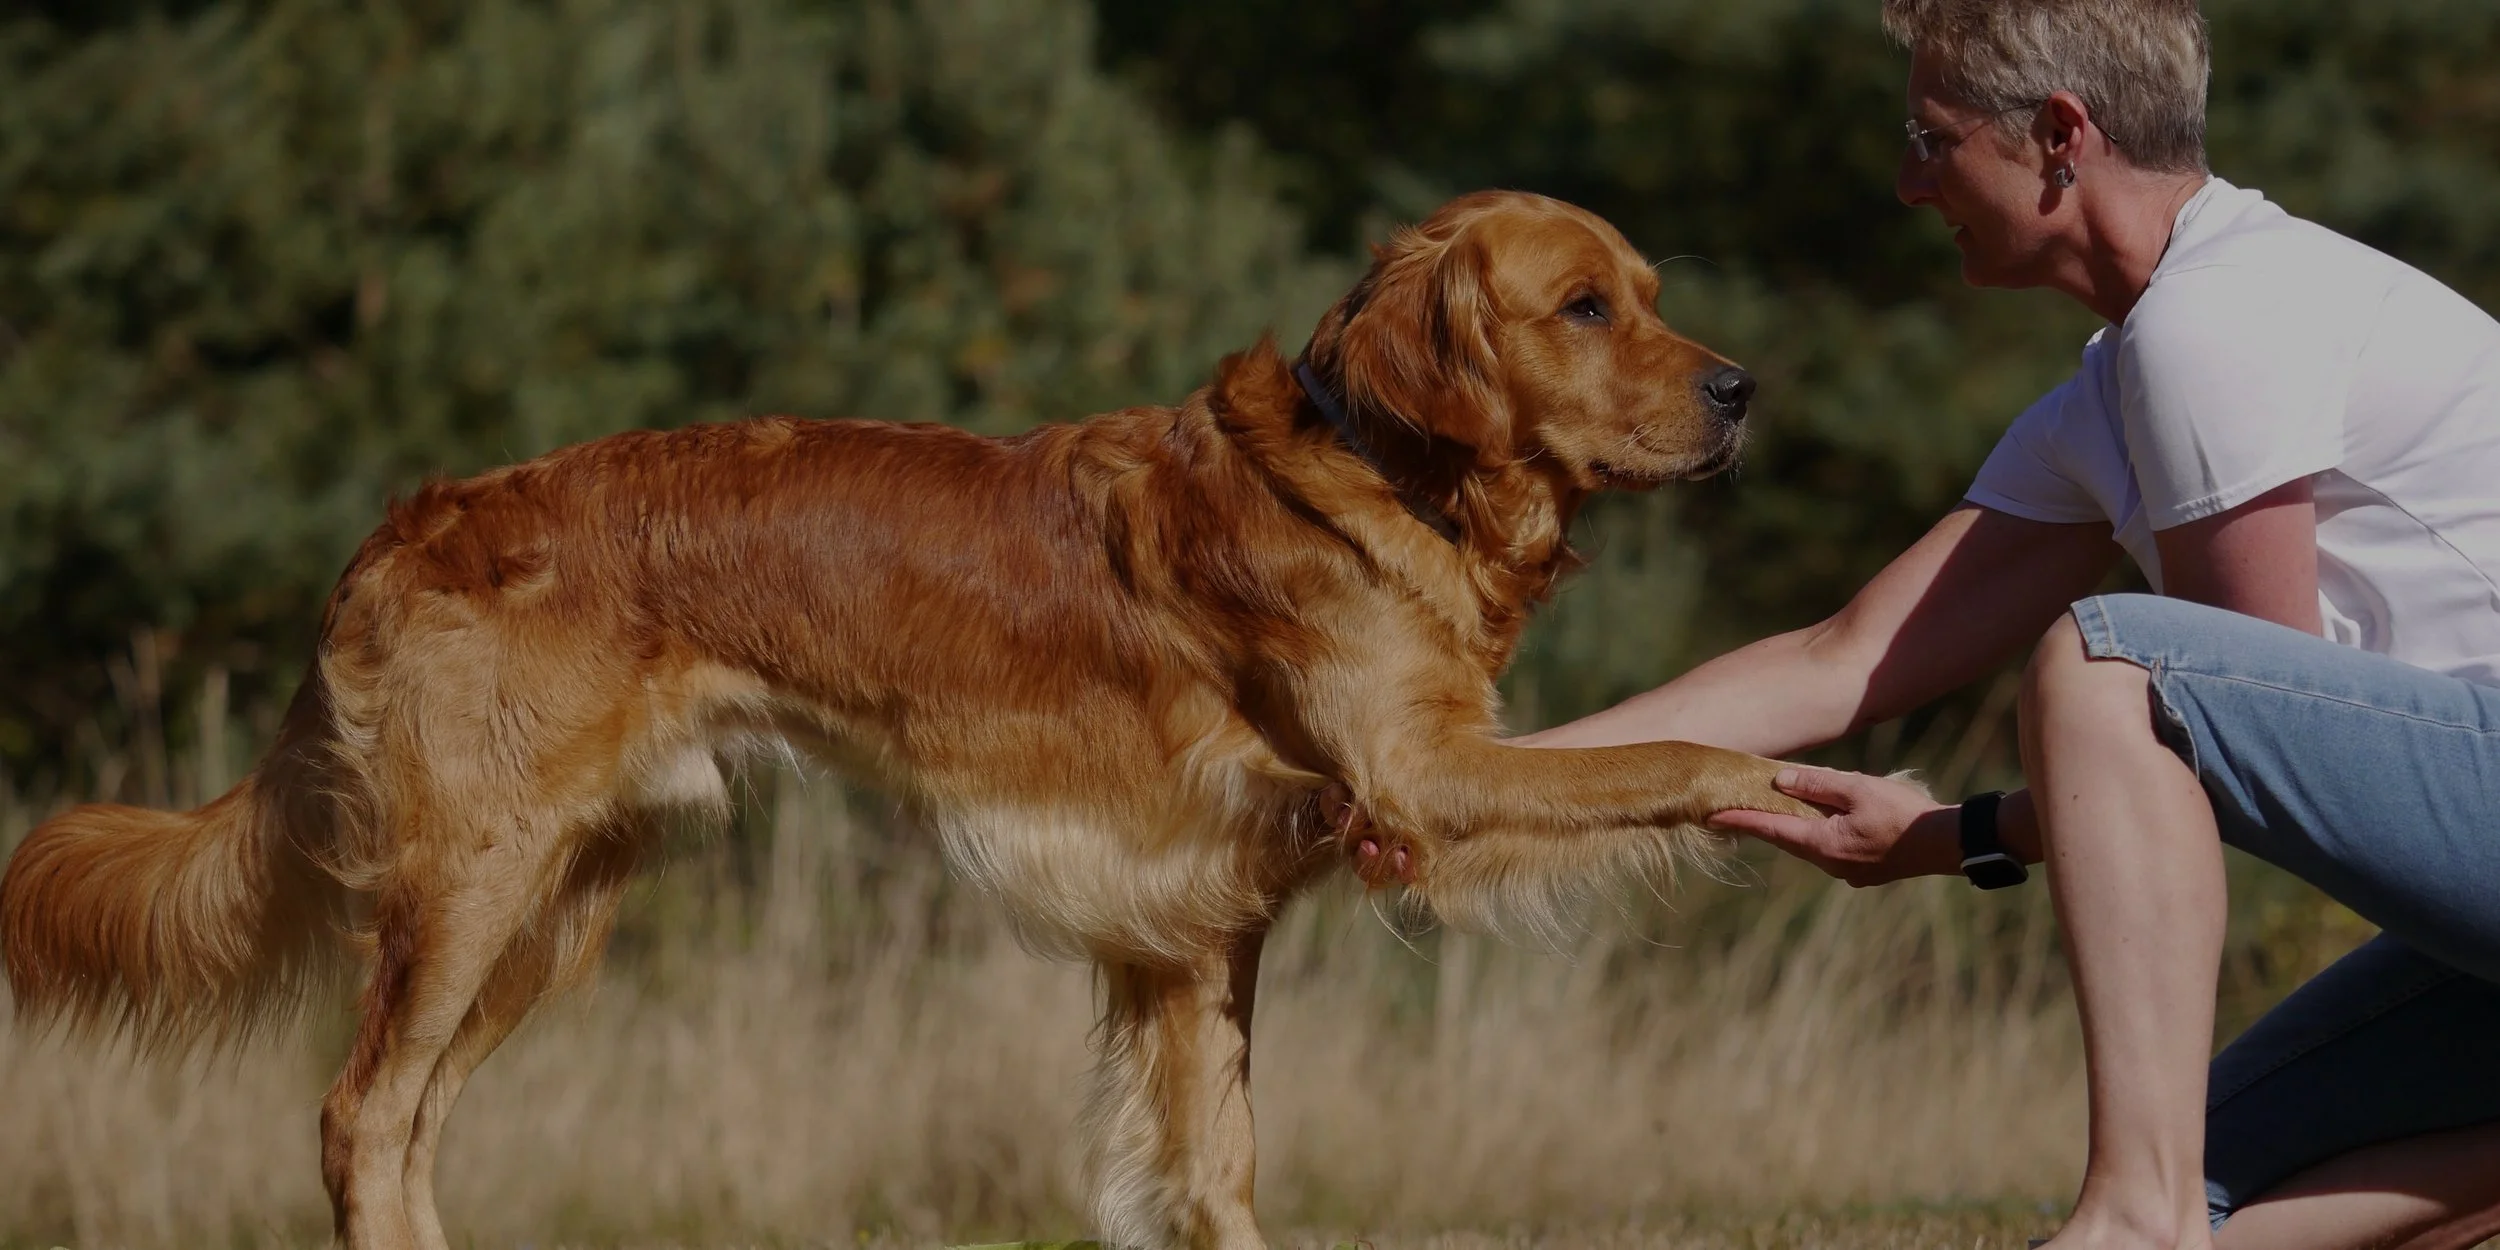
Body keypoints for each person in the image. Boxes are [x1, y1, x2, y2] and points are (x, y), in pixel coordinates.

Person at [1351, 2, 2500, 1246]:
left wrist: (1959, 836)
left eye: (1932, 137)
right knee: (2223, 1189)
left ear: (2061, 136)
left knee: (2118, 657)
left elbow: (2246, 727)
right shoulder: (2122, 382)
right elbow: (1839, 659)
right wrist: (1459, 784)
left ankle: (2127, 1217)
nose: (1907, 183)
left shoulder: (2215, 322)